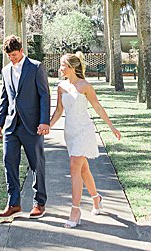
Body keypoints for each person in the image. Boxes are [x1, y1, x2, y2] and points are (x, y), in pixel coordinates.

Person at [47, 51, 122, 228]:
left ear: (71, 68)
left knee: (74, 167)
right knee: (83, 170)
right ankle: (97, 198)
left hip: (84, 131)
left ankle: (75, 210)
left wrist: (112, 127)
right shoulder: (61, 87)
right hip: (70, 132)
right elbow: (58, 111)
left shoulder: (85, 86)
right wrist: (48, 126)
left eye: (63, 65)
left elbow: (97, 107)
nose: (60, 68)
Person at [0, 35, 50, 219]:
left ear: (22, 51)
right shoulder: (5, 71)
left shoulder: (35, 67)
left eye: (15, 55)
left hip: (32, 125)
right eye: (10, 56)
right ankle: (13, 203)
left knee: (36, 164)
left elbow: (44, 95)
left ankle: (39, 203)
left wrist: (44, 121)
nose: (13, 58)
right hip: (11, 126)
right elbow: (5, 99)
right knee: (8, 162)